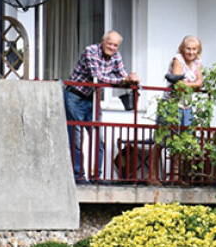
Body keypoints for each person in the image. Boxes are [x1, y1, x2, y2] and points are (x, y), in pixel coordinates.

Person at [64, 30, 141, 183]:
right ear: (102, 41)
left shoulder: (116, 56)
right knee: (76, 140)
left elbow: (122, 75)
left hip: (93, 98)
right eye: (109, 43)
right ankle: (78, 176)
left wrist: (132, 79)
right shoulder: (90, 51)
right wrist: (123, 80)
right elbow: (97, 78)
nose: (112, 47)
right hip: (75, 96)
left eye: (115, 45)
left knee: (99, 139)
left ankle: (96, 176)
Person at [148, 35, 203, 186]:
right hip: (170, 104)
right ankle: (152, 177)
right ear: (183, 49)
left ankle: (176, 176)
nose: (191, 52)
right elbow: (178, 85)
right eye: (188, 49)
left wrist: (190, 84)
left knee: (182, 140)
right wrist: (194, 84)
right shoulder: (177, 60)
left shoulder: (197, 62)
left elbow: (200, 81)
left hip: (186, 105)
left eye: (194, 49)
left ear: (198, 50)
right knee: (160, 140)